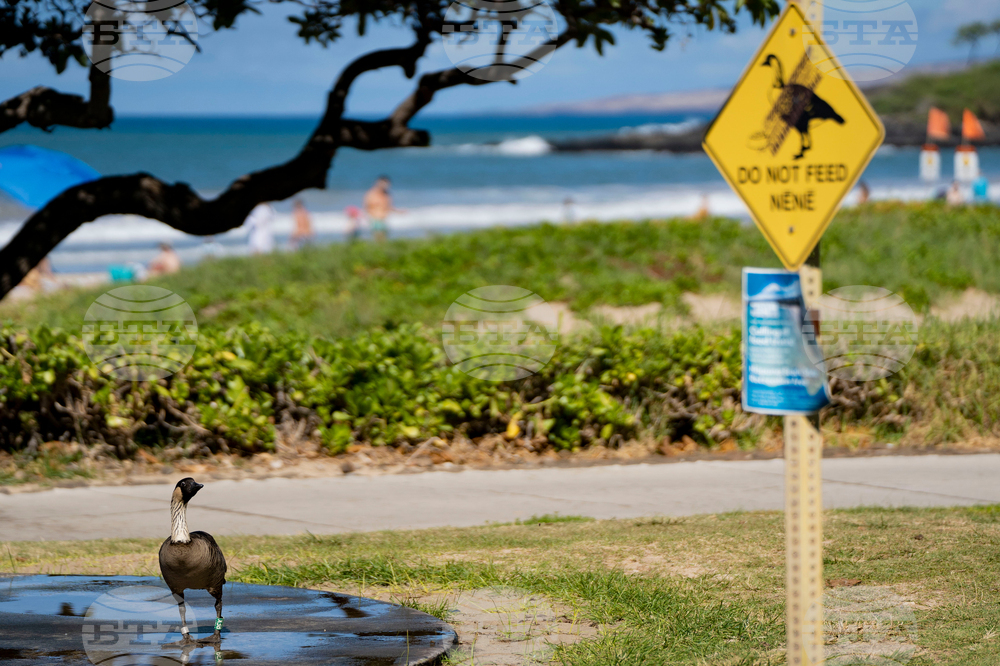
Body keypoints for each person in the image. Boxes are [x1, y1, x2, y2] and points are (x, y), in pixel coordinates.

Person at [363, 176, 404, 242]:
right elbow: (366, 207)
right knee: (378, 238)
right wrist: (367, 218)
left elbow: (389, 207)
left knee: (384, 239)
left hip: (384, 220)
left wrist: (399, 211)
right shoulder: (371, 194)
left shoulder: (387, 194)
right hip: (374, 219)